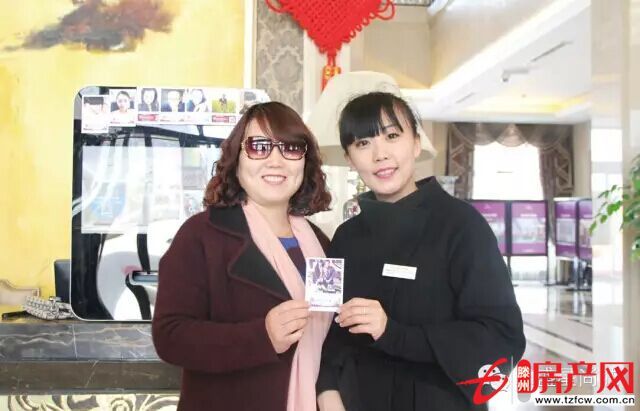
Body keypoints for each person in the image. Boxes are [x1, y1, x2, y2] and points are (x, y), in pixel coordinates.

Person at [316, 92, 526, 411]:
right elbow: (325, 330)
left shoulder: (463, 226)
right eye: (363, 143)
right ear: (349, 158)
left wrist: (393, 333)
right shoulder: (344, 237)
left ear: (416, 143)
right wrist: (327, 391)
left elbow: (502, 337)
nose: (380, 154)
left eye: (392, 136)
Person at [152, 102, 333, 411]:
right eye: (259, 147)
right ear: (237, 159)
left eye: (291, 148)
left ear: (305, 162)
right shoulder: (201, 235)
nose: (275, 160)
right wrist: (262, 337)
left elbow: (332, 342)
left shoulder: (320, 243)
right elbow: (170, 336)